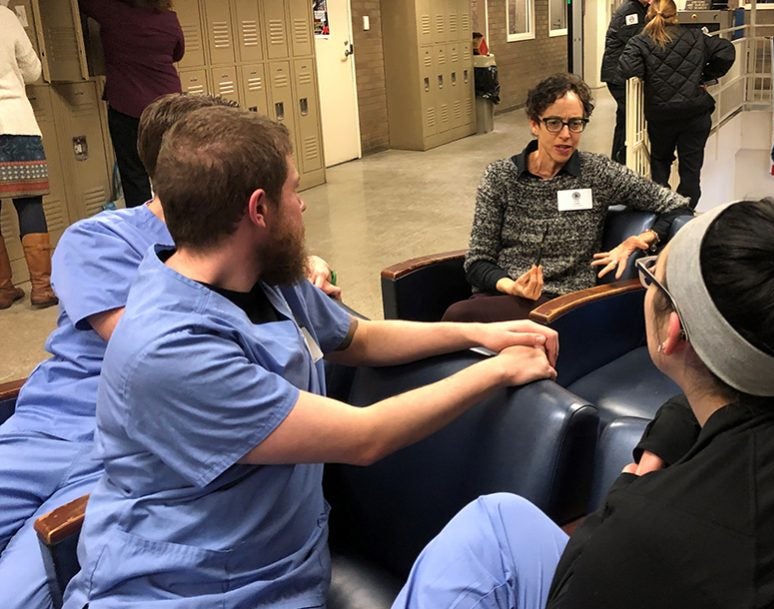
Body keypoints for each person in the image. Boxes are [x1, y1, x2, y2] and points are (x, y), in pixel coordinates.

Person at [61, 106, 559, 608]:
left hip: (282, 566)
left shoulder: (262, 279)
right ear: (259, 210)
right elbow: (365, 437)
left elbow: (358, 338)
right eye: (294, 191)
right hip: (189, 589)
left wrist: (478, 333)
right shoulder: (170, 349)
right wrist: (497, 371)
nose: (302, 207)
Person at [391, 194, 774, 609]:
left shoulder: (643, 535)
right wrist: (670, 432)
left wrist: (630, 497)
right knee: (499, 518)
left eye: (652, 276)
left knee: (483, 530)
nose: (646, 282)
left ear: (673, 332)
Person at [0, 94, 339, 609]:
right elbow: (153, 350)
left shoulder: (251, 252)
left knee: (18, 591)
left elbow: (306, 344)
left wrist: (290, 265)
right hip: (53, 425)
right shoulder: (100, 239)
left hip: (141, 448)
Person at [442, 73, 691, 323]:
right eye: (554, 123)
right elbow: (477, 261)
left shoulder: (599, 173)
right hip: (501, 297)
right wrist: (511, 286)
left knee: (456, 318)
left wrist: (639, 240)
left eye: (575, 123)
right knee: (458, 319)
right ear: (534, 124)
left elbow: (677, 205)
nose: (566, 134)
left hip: (561, 304)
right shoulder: (500, 177)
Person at [618, 0, 735, 208]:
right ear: (676, 15)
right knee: (691, 171)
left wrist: (648, 74)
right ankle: (684, 213)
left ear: (648, 14)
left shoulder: (640, 41)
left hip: (661, 116)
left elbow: (627, 69)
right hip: (695, 113)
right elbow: (726, 51)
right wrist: (706, 76)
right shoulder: (696, 36)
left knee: (660, 163)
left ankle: (662, 210)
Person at [78, 0, 184, 208]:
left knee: (134, 175)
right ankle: (180, 223)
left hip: (127, 106)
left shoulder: (111, 12)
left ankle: (144, 231)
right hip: (167, 106)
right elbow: (177, 52)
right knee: (172, 167)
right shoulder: (168, 19)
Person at [0, 4, 57, 308]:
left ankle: (3, 289)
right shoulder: (6, 16)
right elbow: (34, 71)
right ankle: (42, 288)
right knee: (29, 202)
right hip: (16, 124)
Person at [601, 0, 650, 164]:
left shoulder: (641, 9)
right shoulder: (630, 11)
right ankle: (623, 160)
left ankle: (619, 161)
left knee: (625, 119)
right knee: (630, 118)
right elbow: (638, 41)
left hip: (623, 73)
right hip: (619, 75)